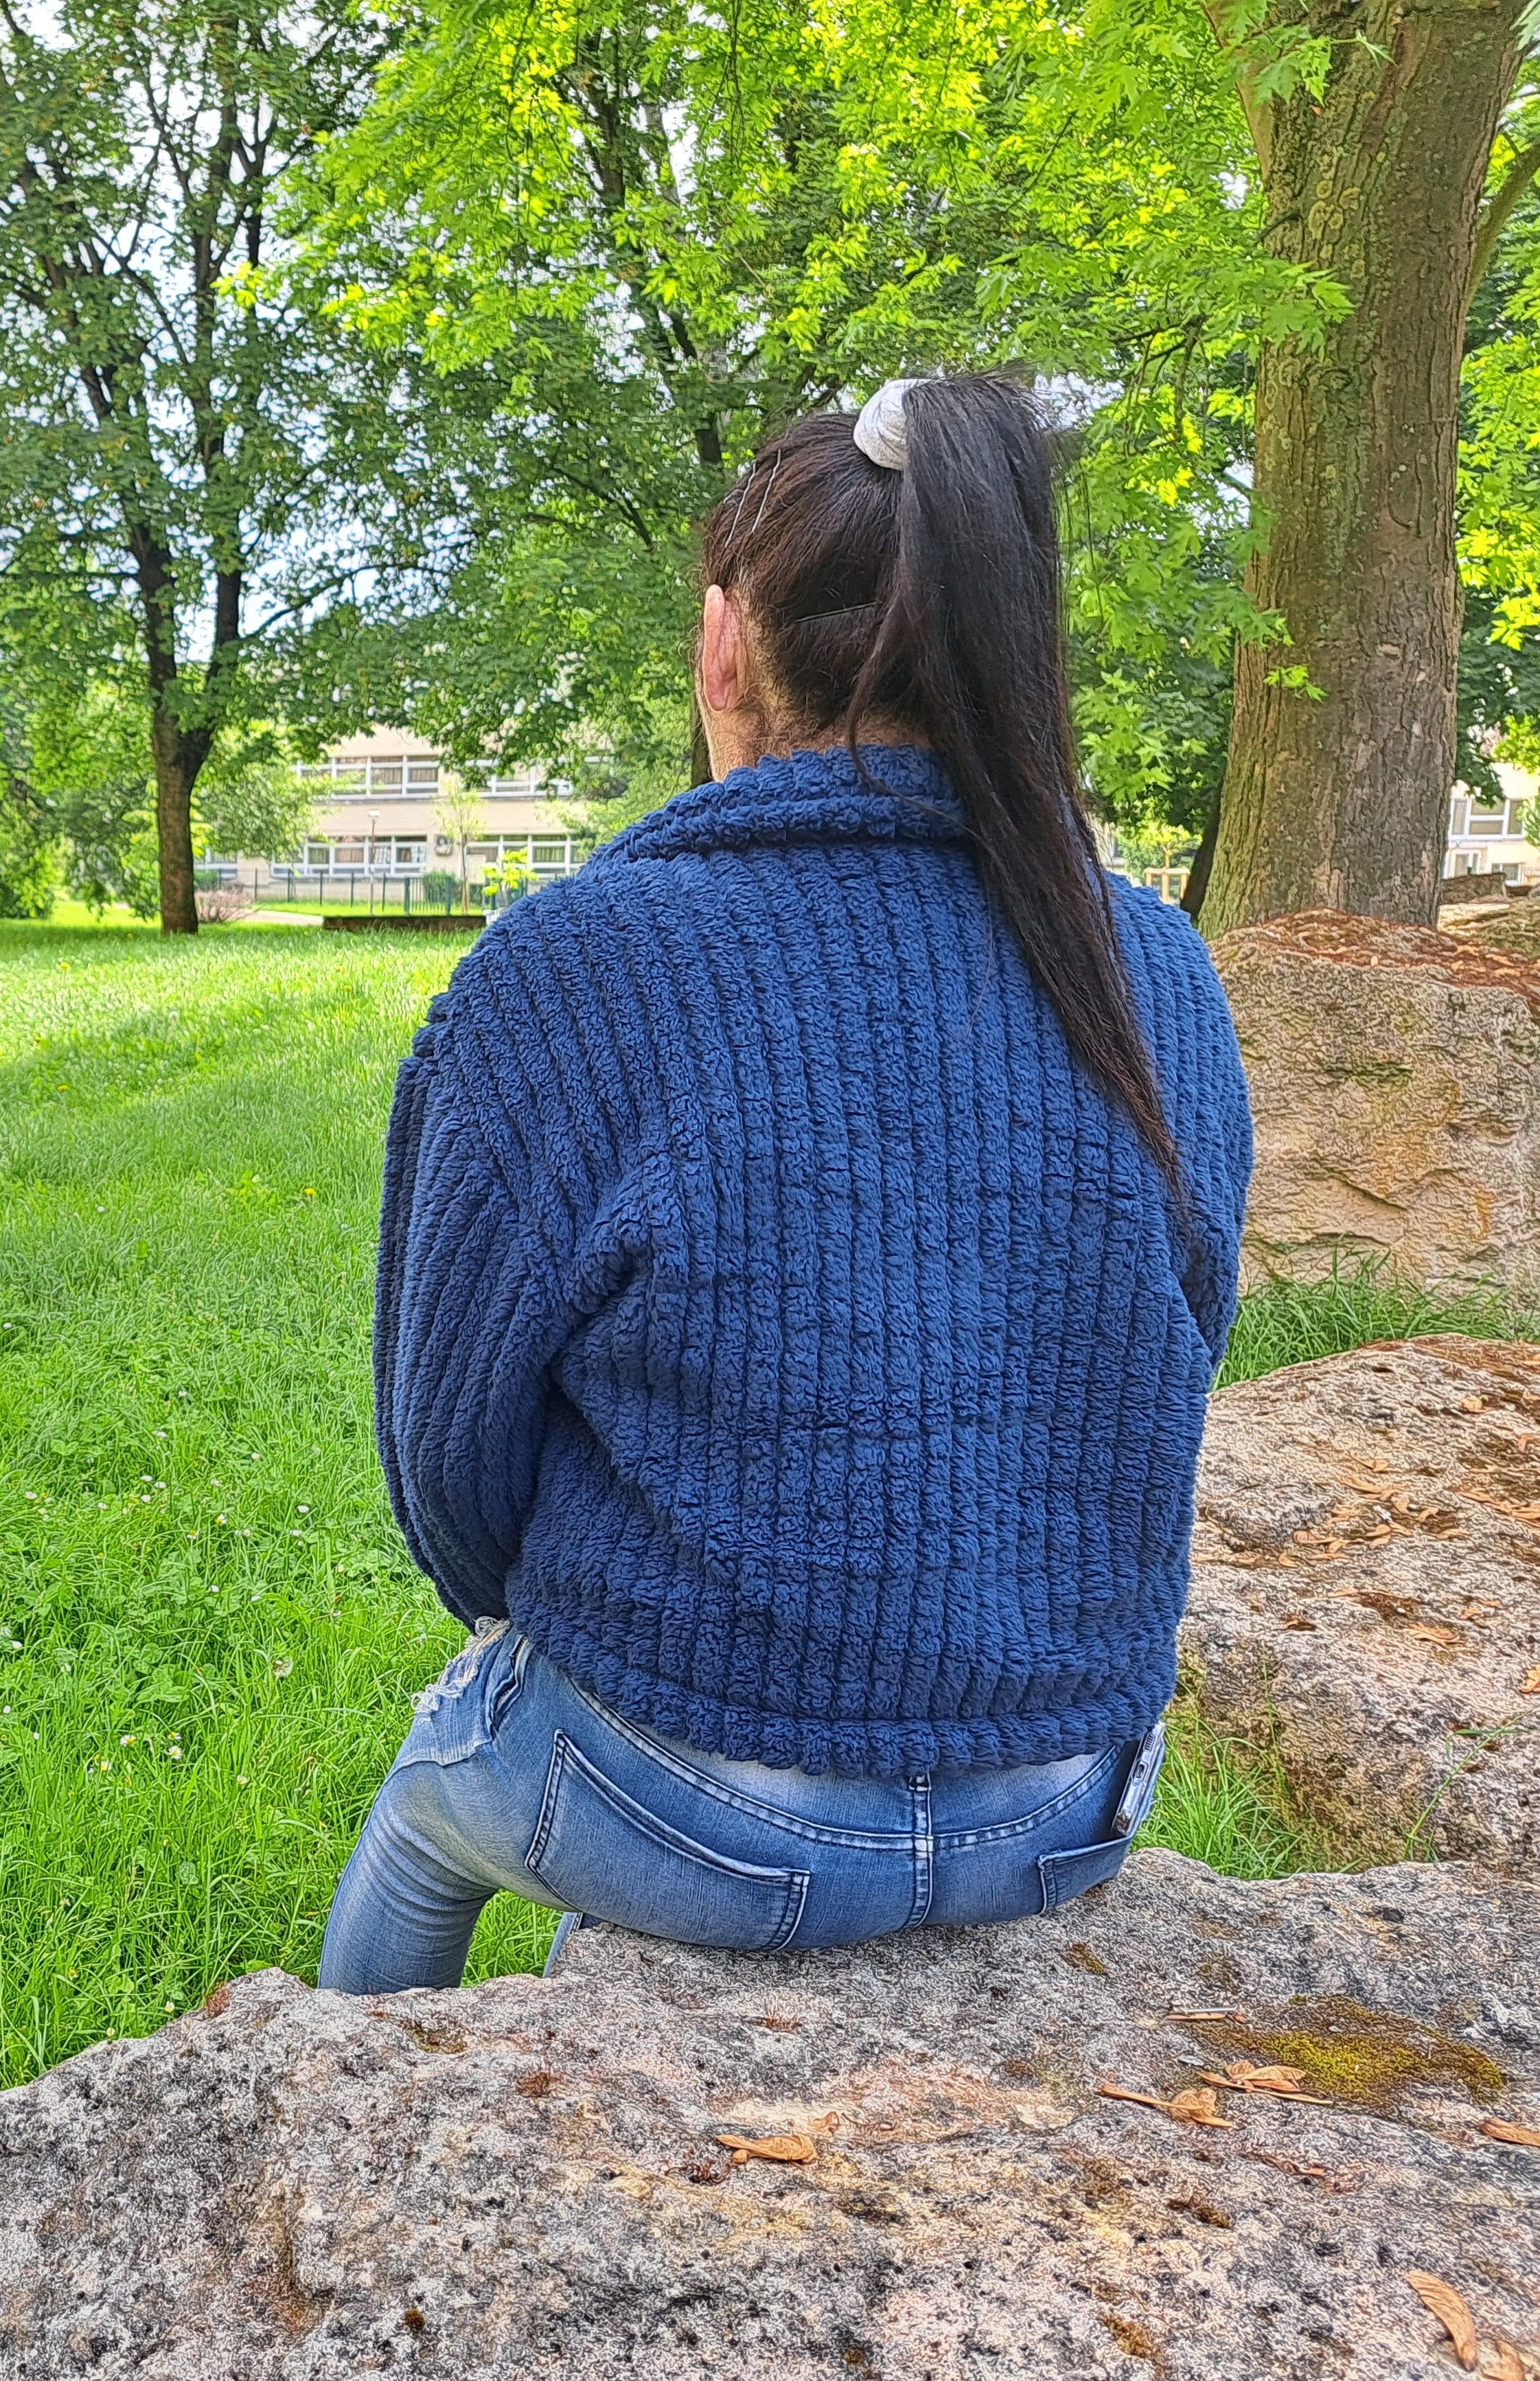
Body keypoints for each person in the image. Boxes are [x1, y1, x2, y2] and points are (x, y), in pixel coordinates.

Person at [319, 374, 1253, 1990]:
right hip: (1065, 1797)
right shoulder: (1151, 969)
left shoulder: (573, 967)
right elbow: (1177, 1348)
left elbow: (446, 1466)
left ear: (720, 650)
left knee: (421, 1813)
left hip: (685, 1799)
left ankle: (336, 2122)